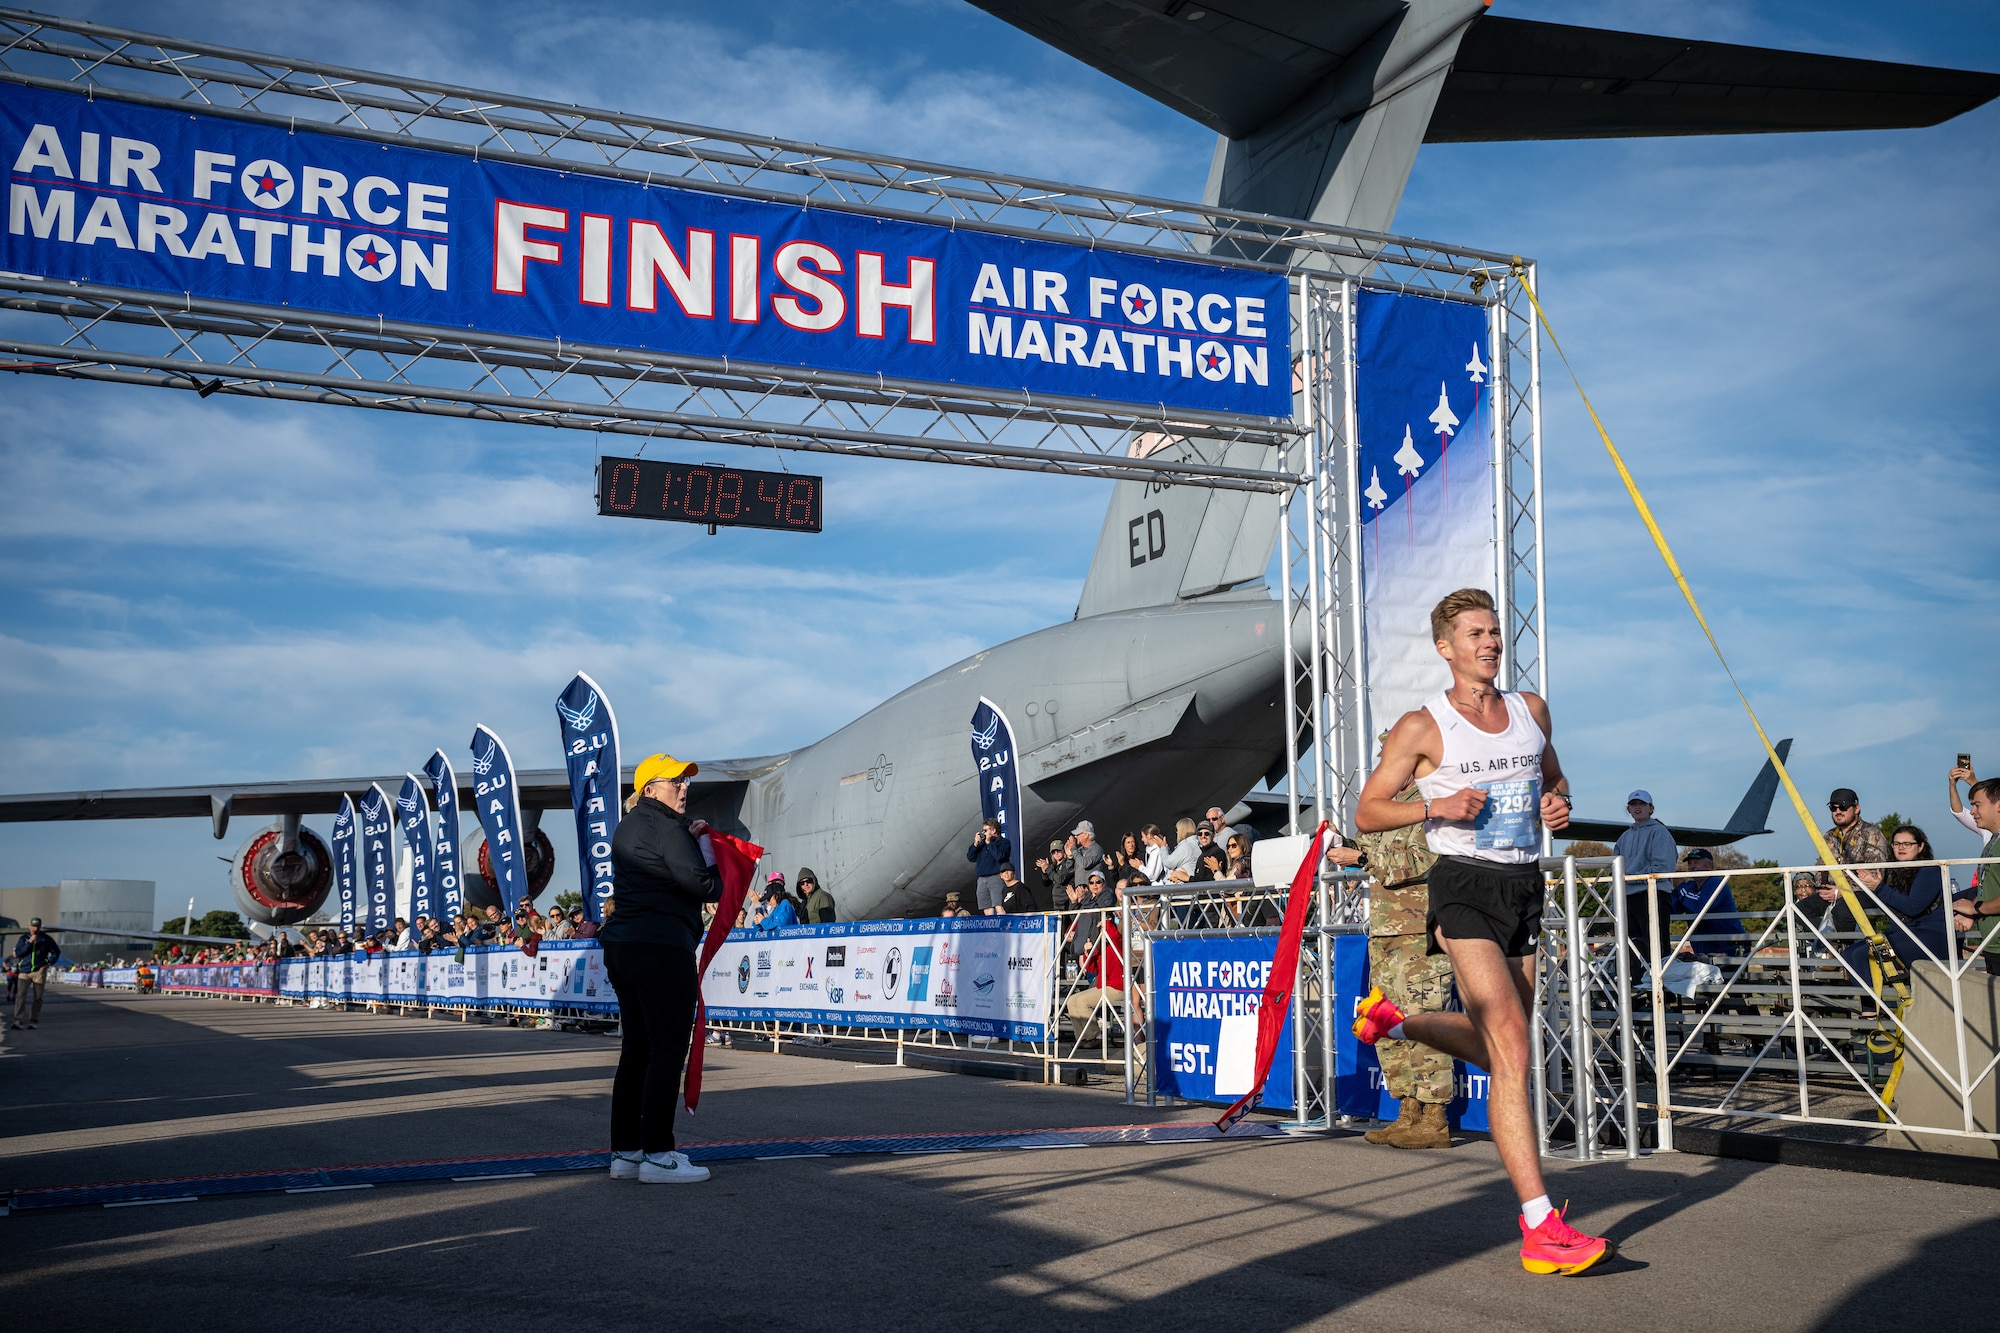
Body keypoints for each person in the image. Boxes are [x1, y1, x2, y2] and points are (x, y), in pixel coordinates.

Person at [1350, 587, 1606, 1276]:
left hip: (1524, 885)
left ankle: (1395, 1024)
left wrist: (1559, 804)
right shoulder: (1422, 726)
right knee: (1513, 1042)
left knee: (1502, 1054)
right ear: (1446, 647)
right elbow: (1367, 811)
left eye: (1494, 631)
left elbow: (1555, 779)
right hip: (1462, 886)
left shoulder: (1531, 710)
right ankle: (1539, 1223)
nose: (1489, 642)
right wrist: (1435, 800)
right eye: (1474, 633)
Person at [601, 752, 719, 1185]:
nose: (684, 787)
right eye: (675, 782)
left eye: (685, 782)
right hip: (661, 945)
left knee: (636, 1051)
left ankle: (626, 1152)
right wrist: (706, 849)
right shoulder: (667, 826)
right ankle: (659, 1154)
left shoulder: (628, 825)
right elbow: (702, 884)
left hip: (624, 945)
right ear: (650, 789)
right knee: (666, 1050)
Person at [1354, 771, 1455, 1151]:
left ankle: (1435, 1120)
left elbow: (1417, 862)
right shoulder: (1385, 808)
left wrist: (1362, 855)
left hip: (1418, 933)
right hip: (1384, 932)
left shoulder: (1436, 802)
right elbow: (1367, 849)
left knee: (1423, 1022)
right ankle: (1408, 1112)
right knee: (1386, 1022)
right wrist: (1339, 845)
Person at [1614, 790, 1680, 963]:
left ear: (1651, 808)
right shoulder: (1624, 837)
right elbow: (1613, 871)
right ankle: (1638, 985)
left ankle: (1662, 989)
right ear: (1628, 809)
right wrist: (1614, 902)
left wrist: (1632, 877)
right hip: (1628, 898)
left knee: (1657, 949)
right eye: (1634, 804)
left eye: (1642, 804)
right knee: (1632, 952)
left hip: (1653, 896)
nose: (1638, 807)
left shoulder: (1660, 832)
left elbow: (1663, 869)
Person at [1951, 779, 2000, 975]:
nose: (1972, 812)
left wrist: (1975, 908)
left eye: (1977, 805)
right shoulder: (1993, 841)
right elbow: (1989, 888)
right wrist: (1973, 911)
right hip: (1992, 943)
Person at [1671, 849, 1745, 957]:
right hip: (1705, 950)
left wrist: (1681, 886)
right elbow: (1673, 909)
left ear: (1709, 865)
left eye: (1696, 863)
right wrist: (1673, 890)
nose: (1692, 867)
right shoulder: (1691, 887)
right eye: (1690, 863)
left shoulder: (1716, 882)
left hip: (1728, 950)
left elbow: (1699, 907)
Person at [1824, 787, 1889, 890]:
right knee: (1802, 906)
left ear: (1857, 809)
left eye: (1843, 807)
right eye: (1833, 808)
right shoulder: (1829, 836)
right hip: (1831, 892)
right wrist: (1822, 889)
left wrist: (1843, 892)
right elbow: (1821, 870)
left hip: (1863, 894)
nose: (1838, 811)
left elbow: (1874, 875)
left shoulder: (1872, 833)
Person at [12, 918, 62, 1029]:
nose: (35, 928)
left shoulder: (46, 939)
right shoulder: (23, 938)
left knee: (37, 997)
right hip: (24, 971)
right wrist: (30, 942)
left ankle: (33, 1020)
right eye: (33, 926)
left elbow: (56, 951)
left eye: (37, 926)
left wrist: (48, 963)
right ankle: (18, 1020)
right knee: (20, 995)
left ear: (40, 927)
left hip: (39, 971)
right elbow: (19, 953)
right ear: (29, 926)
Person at [966, 818, 1013, 916]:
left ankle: (1004, 928)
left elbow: (999, 856)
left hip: (996, 877)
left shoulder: (1003, 843)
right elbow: (971, 857)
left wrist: (989, 843)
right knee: (986, 909)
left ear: (993, 830)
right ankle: (990, 929)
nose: (984, 832)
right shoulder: (981, 844)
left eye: (986, 830)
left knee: (999, 906)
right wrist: (975, 844)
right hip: (982, 879)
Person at [1948, 759, 1981, 837]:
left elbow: (1988, 798)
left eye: (1978, 805)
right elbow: (1959, 813)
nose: (1972, 811)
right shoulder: (1985, 826)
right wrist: (1952, 785)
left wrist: (1973, 782)